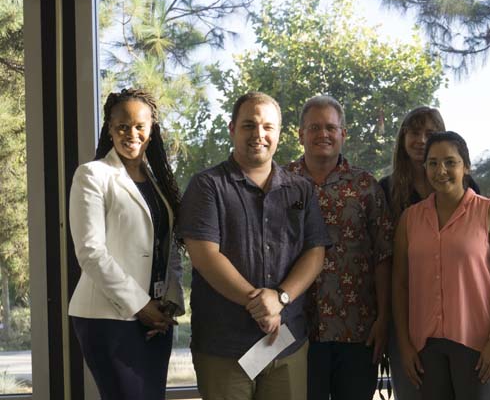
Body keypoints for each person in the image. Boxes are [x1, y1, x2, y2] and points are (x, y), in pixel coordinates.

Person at [179, 92, 331, 400]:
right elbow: (205, 255)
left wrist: (281, 298)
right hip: (223, 347)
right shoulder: (207, 186)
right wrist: (260, 303)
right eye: (249, 125)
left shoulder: (301, 190)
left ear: (278, 133)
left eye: (267, 127)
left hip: (285, 343)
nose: (258, 134)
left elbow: (315, 251)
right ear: (232, 128)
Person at [68, 88, 185, 399]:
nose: (130, 134)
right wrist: (140, 304)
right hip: (109, 318)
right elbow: (91, 252)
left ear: (151, 131)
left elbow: (167, 247)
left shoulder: (157, 184)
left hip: (155, 317)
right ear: (110, 128)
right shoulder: (92, 175)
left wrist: (168, 303)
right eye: (122, 126)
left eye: (139, 127)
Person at [393, 131, 490, 400]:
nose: (441, 170)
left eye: (450, 162)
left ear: (466, 166)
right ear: (424, 167)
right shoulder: (410, 219)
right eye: (433, 163)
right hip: (424, 346)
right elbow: (400, 284)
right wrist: (404, 344)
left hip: (478, 345)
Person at [285, 95, 393, 400]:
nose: (323, 134)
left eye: (331, 128)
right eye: (314, 127)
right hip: (295, 328)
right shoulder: (281, 182)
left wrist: (384, 319)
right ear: (301, 134)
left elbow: (384, 255)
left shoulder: (365, 186)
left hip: (358, 329)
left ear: (343, 134)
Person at [378, 106, 481, 399]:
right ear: (402, 138)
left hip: (460, 313)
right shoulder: (386, 189)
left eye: (430, 133)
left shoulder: (467, 188)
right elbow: (383, 257)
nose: (421, 139)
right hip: (407, 306)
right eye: (414, 132)